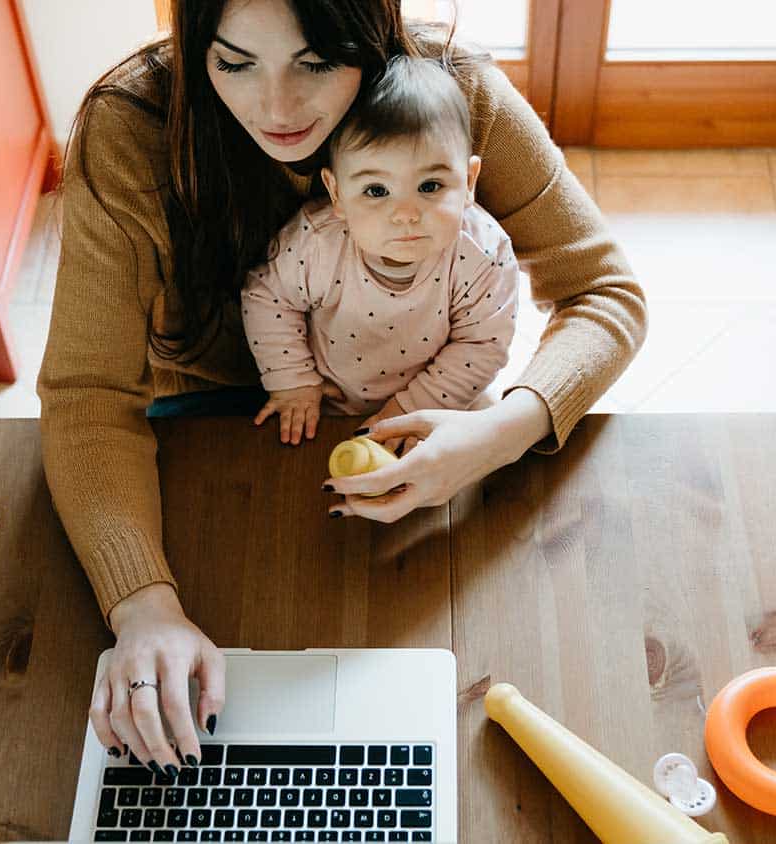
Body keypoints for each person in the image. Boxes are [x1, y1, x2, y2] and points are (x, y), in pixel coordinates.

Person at [39, 0, 646, 782]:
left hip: (407, 435)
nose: (279, 108)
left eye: (316, 61)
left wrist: (499, 433)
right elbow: (88, 396)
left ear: (369, 32)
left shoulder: (456, 92)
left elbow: (606, 293)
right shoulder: (132, 131)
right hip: (202, 429)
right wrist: (142, 607)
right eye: (234, 63)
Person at [244, 55, 518, 453]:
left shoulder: (482, 255)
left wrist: (408, 410)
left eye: (430, 186)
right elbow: (266, 298)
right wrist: (293, 382)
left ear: (469, 181)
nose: (406, 214)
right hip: (326, 403)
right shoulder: (318, 243)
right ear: (336, 193)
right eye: (376, 191)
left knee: (480, 477)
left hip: (445, 405)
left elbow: (482, 346)